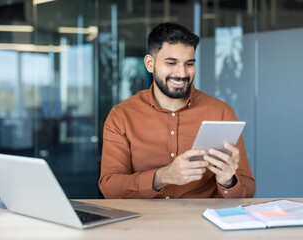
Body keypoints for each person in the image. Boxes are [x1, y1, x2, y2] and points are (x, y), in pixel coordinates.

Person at [99, 22, 255, 199]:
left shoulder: (221, 113)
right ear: (150, 64)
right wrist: (162, 177)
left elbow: (247, 189)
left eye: (189, 64)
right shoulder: (121, 116)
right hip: (142, 222)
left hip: (202, 223)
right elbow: (110, 187)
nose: (181, 73)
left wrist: (228, 181)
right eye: (171, 63)